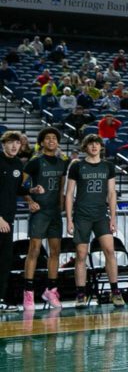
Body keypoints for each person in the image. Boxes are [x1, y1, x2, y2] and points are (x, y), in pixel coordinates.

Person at [65, 134, 124, 308]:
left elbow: (112, 193)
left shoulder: (108, 166)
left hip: (100, 215)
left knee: (110, 251)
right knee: (81, 255)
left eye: (97, 144)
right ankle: (81, 294)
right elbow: (69, 194)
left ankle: (115, 292)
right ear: (85, 147)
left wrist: (113, 217)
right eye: (90, 144)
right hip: (82, 215)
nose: (94, 147)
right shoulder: (77, 166)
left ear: (101, 147)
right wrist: (69, 219)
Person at [21, 127, 69, 310]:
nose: (51, 141)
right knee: (34, 250)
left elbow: (62, 187)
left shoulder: (61, 163)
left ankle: (51, 289)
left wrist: (63, 205)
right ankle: (29, 292)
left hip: (55, 212)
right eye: (47, 138)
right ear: (41, 143)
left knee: (55, 251)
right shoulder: (35, 162)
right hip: (39, 211)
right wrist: (29, 200)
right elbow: (20, 185)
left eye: (54, 138)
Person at [0, 131, 26, 312]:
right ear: (3, 144)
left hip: (8, 220)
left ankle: (1, 299)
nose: (14, 146)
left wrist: (32, 191)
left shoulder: (17, 163)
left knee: (4, 261)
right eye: (10, 143)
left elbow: (16, 189)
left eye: (17, 143)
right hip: (0, 220)